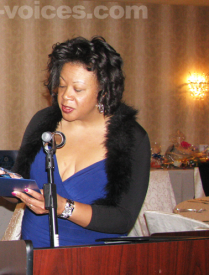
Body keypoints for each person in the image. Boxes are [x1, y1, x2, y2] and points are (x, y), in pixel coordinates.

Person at [11, 36, 150, 248]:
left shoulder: (132, 139)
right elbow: (21, 181)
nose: (65, 96)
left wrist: (64, 208)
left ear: (103, 91)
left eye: (78, 89)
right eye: (62, 85)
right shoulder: (42, 121)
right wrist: (0, 182)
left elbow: (123, 219)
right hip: (33, 251)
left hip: (90, 260)